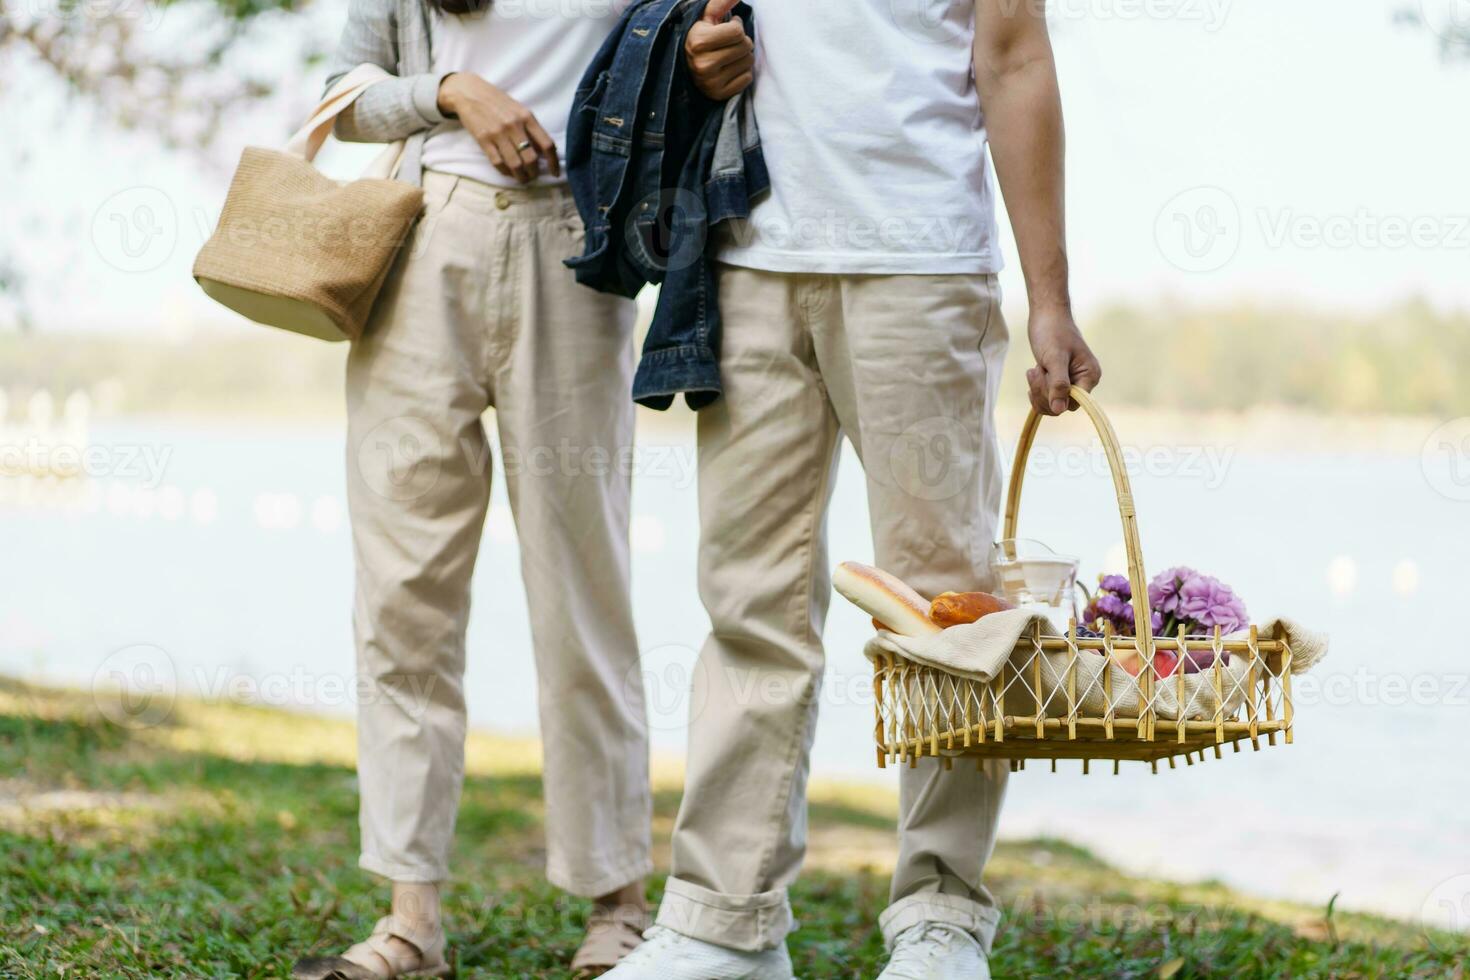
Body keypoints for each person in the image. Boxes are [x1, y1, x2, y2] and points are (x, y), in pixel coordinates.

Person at [605, 0, 1102, 977]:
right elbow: (706, 33)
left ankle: (941, 918)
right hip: (746, 252)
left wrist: (1050, 298)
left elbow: (1013, 60)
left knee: (950, 615)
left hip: (920, 261)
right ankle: (722, 923)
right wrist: (707, 55)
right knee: (749, 600)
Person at [288, 1, 752, 977]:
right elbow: (343, 98)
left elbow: (705, 68)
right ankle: (411, 919)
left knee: (582, 587)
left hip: (576, 254)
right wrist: (454, 91)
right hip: (421, 248)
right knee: (402, 593)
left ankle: (616, 903)